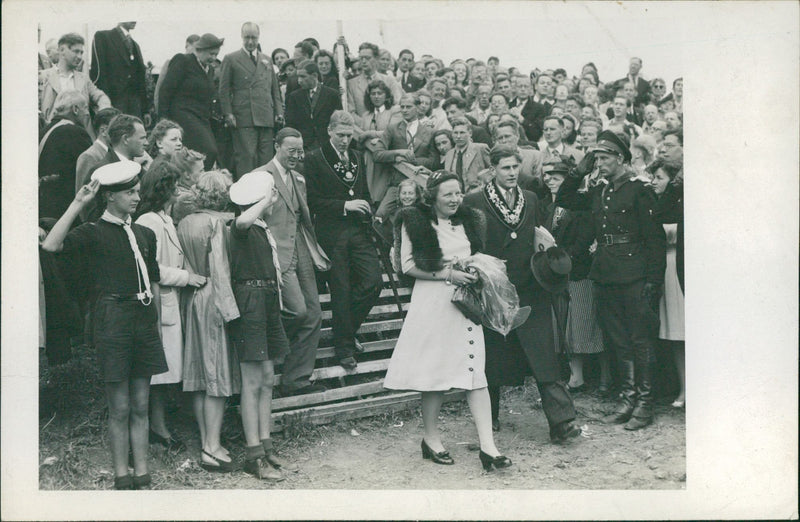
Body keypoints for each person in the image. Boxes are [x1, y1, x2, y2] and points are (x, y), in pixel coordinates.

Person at [42, 161, 168, 490]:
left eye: (138, 191)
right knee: (120, 405)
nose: (137, 197)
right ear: (110, 197)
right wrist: (78, 203)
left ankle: (141, 471)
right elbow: (51, 246)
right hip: (113, 320)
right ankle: (121, 475)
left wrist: (154, 318)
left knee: (142, 402)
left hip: (142, 320)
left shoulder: (145, 233)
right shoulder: (94, 233)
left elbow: (152, 279)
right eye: (129, 192)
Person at [384, 170, 512, 471]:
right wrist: (448, 274)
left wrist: (477, 269)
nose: (455, 199)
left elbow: (474, 255)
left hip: (465, 304)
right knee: (434, 376)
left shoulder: (468, 220)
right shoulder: (413, 221)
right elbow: (408, 266)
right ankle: (430, 438)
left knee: (473, 371)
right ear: (432, 197)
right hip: (433, 302)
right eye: (448, 195)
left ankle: (489, 448)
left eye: (458, 193)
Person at [462, 147, 581, 442]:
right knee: (492, 357)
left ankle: (562, 423)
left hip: (530, 288)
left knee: (544, 355)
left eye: (515, 166)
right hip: (493, 291)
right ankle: (489, 419)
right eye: (505, 168)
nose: (512, 172)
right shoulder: (474, 201)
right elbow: (468, 244)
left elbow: (538, 236)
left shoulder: (530, 198)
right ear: (493, 170)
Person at [555, 130, 666, 431]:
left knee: (640, 340)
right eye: (597, 158)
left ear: (621, 158)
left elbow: (654, 240)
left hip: (635, 276)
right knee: (618, 340)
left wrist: (653, 282)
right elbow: (564, 197)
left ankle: (644, 403)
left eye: (604, 158)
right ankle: (627, 398)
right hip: (605, 274)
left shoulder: (639, 191)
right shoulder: (601, 191)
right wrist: (582, 168)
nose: (599, 164)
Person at [134, 162, 207, 450]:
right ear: (164, 190)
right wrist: (188, 277)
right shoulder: (149, 221)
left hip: (171, 302)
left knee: (167, 371)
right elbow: (154, 270)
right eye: (174, 187)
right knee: (160, 372)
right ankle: (158, 427)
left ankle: (160, 424)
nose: (178, 192)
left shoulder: (163, 218)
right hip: (161, 302)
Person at [253, 127, 329, 396]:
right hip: (276, 250)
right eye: (291, 150)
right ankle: (274, 352)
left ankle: (296, 379)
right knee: (297, 311)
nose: (297, 155)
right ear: (276, 147)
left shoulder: (299, 178)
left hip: (301, 247)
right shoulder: (260, 176)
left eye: (300, 150)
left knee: (314, 314)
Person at [305, 111, 383, 371]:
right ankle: (344, 347)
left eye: (349, 136)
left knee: (373, 282)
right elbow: (312, 202)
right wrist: (345, 205)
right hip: (331, 233)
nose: (344, 140)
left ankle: (346, 331)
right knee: (341, 288)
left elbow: (364, 193)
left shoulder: (358, 156)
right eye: (340, 135)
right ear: (329, 131)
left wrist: (369, 211)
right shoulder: (315, 158)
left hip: (359, 232)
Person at [227, 171, 291, 481]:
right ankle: (253, 454)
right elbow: (240, 222)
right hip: (250, 299)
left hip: (266, 297)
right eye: (269, 195)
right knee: (252, 380)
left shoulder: (261, 229)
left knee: (267, 377)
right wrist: (265, 198)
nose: (274, 199)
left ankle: (265, 445)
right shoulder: (240, 226)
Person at [175, 169, 239, 472]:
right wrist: (232, 313)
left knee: (201, 376)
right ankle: (211, 446)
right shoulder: (218, 223)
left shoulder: (185, 221)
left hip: (192, 297)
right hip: (214, 297)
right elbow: (221, 270)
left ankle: (206, 441)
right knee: (217, 377)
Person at [539, 161, 609, 392]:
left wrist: (564, 259)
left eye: (556, 177)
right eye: (547, 176)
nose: (550, 180)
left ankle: (599, 377)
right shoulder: (548, 208)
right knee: (566, 326)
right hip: (557, 273)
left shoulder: (581, 206)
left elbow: (583, 240)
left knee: (583, 324)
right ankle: (573, 374)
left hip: (578, 272)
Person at [219, 22, 284, 178]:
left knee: (266, 159)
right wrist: (228, 113)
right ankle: (246, 198)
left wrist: (279, 112)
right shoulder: (231, 59)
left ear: (258, 37)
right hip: (243, 116)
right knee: (246, 158)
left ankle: (267, 194)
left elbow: (274, 90)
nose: (250, 41)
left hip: (266, 116)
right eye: (247, 37)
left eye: (253, 38)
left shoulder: (267, 60)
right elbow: (224, 90)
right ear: (242, 37)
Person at [647, 159, 685, 408]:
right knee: (675, 334)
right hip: (666, 271)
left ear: (673, 180)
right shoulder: (656, 204)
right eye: (652, 177)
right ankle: (682, 389)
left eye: (659, 177)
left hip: (683, 270)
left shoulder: (685, 204)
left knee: (689, 331)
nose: (653, 181)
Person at [159, 33, 225, 170]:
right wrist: (164, 121)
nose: (213, 58)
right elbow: (165, 91)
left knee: (210, 152)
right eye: (211, 54)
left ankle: (194, 180)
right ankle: (196, 180)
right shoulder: (183, 60)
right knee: (208, 150)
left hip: (201, 117)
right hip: (183, 114)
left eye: (216, 54)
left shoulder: (209, 69)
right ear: (199, 50)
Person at [372, 92, 437, 218]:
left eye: (408, 107)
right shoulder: (393, 128)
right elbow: (377, 154)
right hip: (397, 184)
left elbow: (434, 161)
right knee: (380, 216)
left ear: (418, 108)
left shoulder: (430, 132)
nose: (404, 110)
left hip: (420, 185)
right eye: (402, 107)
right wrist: (398, 153)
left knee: (424, 218)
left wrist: (413, 161)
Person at [38, 91, 94, 220]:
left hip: (44, 206)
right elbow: (90, 169)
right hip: (65, 211)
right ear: (75, 109)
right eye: (85, 108)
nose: (87, 113)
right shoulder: (74, 132)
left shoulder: (46, 130)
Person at [39, 33, 111, 129]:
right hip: (53, 132)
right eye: (76, 51)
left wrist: (104, 109)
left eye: (81, 52)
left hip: (81, 133)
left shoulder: (83, 79)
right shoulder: (43, 76)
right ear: (62, 50)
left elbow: (100, 96)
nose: (80, 56)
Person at [90, 22, 148, 119]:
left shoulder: (135, 46)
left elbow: (141, 80)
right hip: (113, 105)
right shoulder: (103, 37)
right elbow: (99, 74)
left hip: (135, 109)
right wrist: (106, 106)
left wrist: (145, 111)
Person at [75, 107, 123, 222]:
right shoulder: (89, 156)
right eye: (117, 129)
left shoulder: (114, 153)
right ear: (103, 131)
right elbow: (85, 203)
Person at [285, 59, 342, 150]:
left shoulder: (332, 95)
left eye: (303, 77)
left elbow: (338, 122)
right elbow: (290, 124)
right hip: (303, 147)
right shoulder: (294, 97)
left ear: (314, 75)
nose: (299, 81)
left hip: (327, 145)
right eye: (298, 77)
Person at [345, 41, 403, 117]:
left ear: (376, 58)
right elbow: (351, 111)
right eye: (361, 58)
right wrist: (365, 124)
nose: (364, 61)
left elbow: (397, 105)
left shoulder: (389, 81)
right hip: (361, 126)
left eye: (367, 58)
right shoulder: (351, 84)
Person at [154, 34, 200, 115]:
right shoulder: (171, 62)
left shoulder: (199, 67)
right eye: (195, 48)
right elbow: (160, 89)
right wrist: (160, 113)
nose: (197, 51)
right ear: (187, 46)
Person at [443, 117, 491, 192]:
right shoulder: (449, 154)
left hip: (479, 195)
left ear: (470, 133)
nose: (458, 136)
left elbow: (493, 172)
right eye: (455, 133)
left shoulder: (480, 148)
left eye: (462, 133)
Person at [169, 147, 207, 224]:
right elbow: (209, 218)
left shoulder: (180, 192)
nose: (205, 173)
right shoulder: (186, 198)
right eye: (201, 170)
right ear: (187, 175)